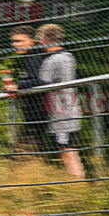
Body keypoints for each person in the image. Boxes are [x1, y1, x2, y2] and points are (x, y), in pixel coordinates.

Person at [36, 23, 85, 179]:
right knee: (66, 147)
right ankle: (75, 179)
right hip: (71, 107)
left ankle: (78, 181)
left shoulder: (51, 60)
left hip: (61, 113)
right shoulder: (68, 56)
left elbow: (43, 84)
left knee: (66, 149)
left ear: (45, 39)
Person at [2, 25, 49, 151]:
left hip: (39, 112)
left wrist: (17, 86)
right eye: (13, 41)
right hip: (34, 112)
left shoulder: (35, 56)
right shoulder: (31, 56)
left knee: (21, 151)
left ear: (32, 41)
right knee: (25, 149)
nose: (15, 44)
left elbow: (39, 81)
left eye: (19, 41)